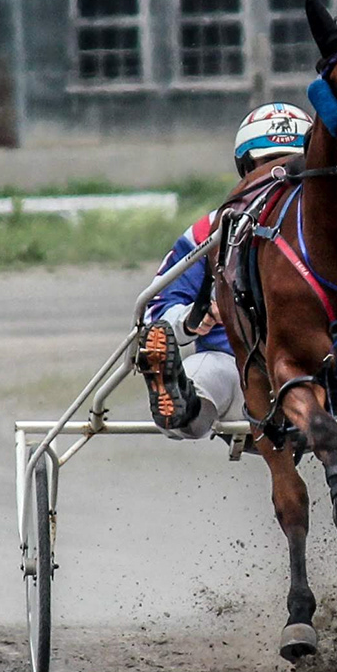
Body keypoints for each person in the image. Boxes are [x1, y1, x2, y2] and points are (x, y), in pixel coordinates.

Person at [136, 102, 314, 438]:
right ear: (247, 170)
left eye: (291, 165)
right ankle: (183, 413)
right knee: (198, 376)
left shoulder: (335, 235)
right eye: (266, 164)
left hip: (324, 371)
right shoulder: (210, 232)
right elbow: (153, 314)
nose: (278, 175)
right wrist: (191, 319)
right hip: (235, 368)